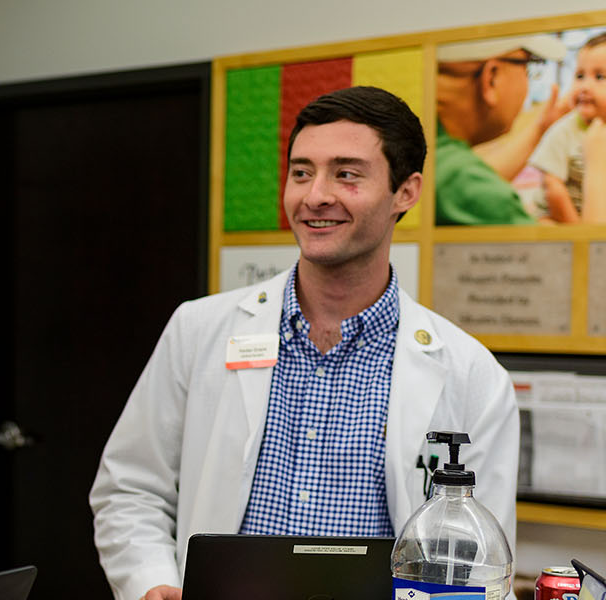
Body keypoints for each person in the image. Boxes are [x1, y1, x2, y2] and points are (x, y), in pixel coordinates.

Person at [90, 86, 519, 600]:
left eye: (346, 173)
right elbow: (130, 487)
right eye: (300, 172)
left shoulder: (472, 373)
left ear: (406, 191)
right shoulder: (199, 329)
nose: (315, 195)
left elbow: (480, 555)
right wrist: (152, 583)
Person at [435, 35, 568, 225]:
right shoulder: (465, 184)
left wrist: (541, 128)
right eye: (527, 68)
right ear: (491, 77)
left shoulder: (424, 150)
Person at [530, 32, 606, 223]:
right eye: (580, 75)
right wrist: (580, 234)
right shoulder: (566, 129)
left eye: (600, 77)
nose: (585, 86)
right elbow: (552, 187)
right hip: (560, 216)